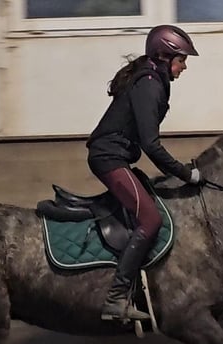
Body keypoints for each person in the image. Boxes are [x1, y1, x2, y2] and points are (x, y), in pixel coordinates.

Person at [87, 24, 204, 322]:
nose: (185, 67)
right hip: (108, 158)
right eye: (182, 60)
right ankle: (115, 298)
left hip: (117, 157)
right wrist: (184, 174)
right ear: (164, 56)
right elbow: (151, 145)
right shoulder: (150, 84)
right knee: (151, 219)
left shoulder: (151, 79)